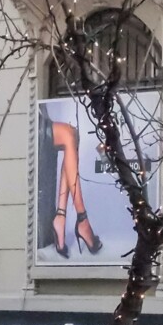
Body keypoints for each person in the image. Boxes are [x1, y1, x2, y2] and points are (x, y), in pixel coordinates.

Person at [38, 105, 103, 258]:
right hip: (33, 125)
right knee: (69, 135)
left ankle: (61, 217)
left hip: (39, 119)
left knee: (72, 134)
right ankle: (82, 219)